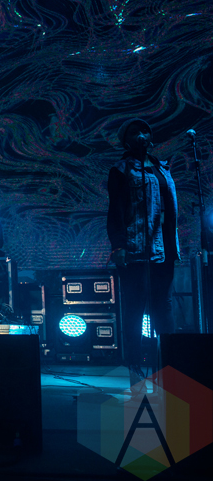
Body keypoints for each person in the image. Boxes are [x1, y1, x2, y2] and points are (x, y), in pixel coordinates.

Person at [106, 118, 180, 386]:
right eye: (134, 132)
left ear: (150, 137)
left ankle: (169, 366)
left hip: (164, 249)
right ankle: (135, 367)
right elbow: (115, 210)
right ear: (126, 141)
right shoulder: (121, 170)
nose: (141, 135)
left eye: (144, 131)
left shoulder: (162, 168)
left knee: (163, 306)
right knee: (135, 308)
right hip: (135, 249)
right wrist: (118, 245)